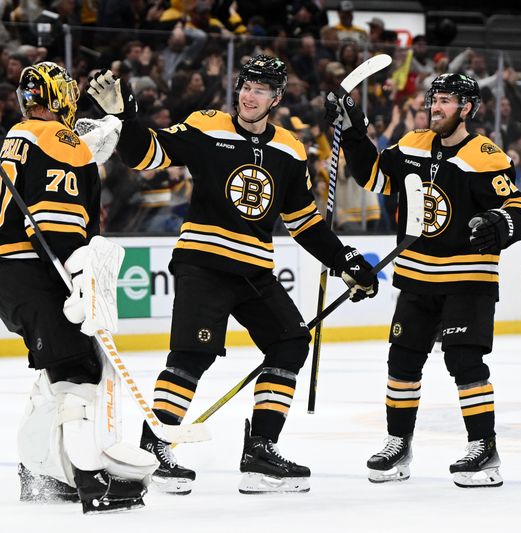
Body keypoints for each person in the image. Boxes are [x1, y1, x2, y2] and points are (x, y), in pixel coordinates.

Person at [86, 54, 379, 495]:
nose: (249, 95)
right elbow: (146, 154)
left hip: (254, 271)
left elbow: (303, 222)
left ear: (276, 98)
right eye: (246, 85)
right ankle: (156, 448)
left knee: (291, 340)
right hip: (203, 263)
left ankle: (260, 452)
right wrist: (127, 117)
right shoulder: (207, 125)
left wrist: (345, 260)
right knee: (191, 356)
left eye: (260, 89)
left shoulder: (290, 149)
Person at [325, 73, 521, 488]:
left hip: (467, 276)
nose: (435, 107)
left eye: (446, 101)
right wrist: (353, 133)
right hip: (416, 275)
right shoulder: (412, 144)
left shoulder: (484, 156)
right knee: (401, 363)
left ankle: (484, 448)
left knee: (463, 362)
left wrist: (499, 222)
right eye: (433, 99)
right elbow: (373, 177)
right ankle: (397, 444)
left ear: (467, 109)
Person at [0, 61, 155, 513]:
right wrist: (79, 277)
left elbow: (76, 161)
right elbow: (57, 224)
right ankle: (92, 486)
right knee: (79, 375)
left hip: (5, 272)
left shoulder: (23, 134)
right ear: (59, 98)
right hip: (31, 271)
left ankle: (43, 473)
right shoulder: (59, 141)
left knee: (55, 373)